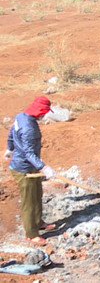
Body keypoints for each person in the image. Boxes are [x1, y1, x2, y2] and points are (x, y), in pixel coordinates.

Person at [6, 96, 57, 245]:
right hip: (23, 169)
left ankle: (38, 222)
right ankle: (31, 234)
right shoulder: (28, 128)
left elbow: (11, 133)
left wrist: (10, 147)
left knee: (37, 194)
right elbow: (29, 153)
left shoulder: (20, 116)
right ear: (39, 111)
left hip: (31, 167)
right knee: (29, 201)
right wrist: (44, 167)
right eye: (44, 112)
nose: (44, 115)